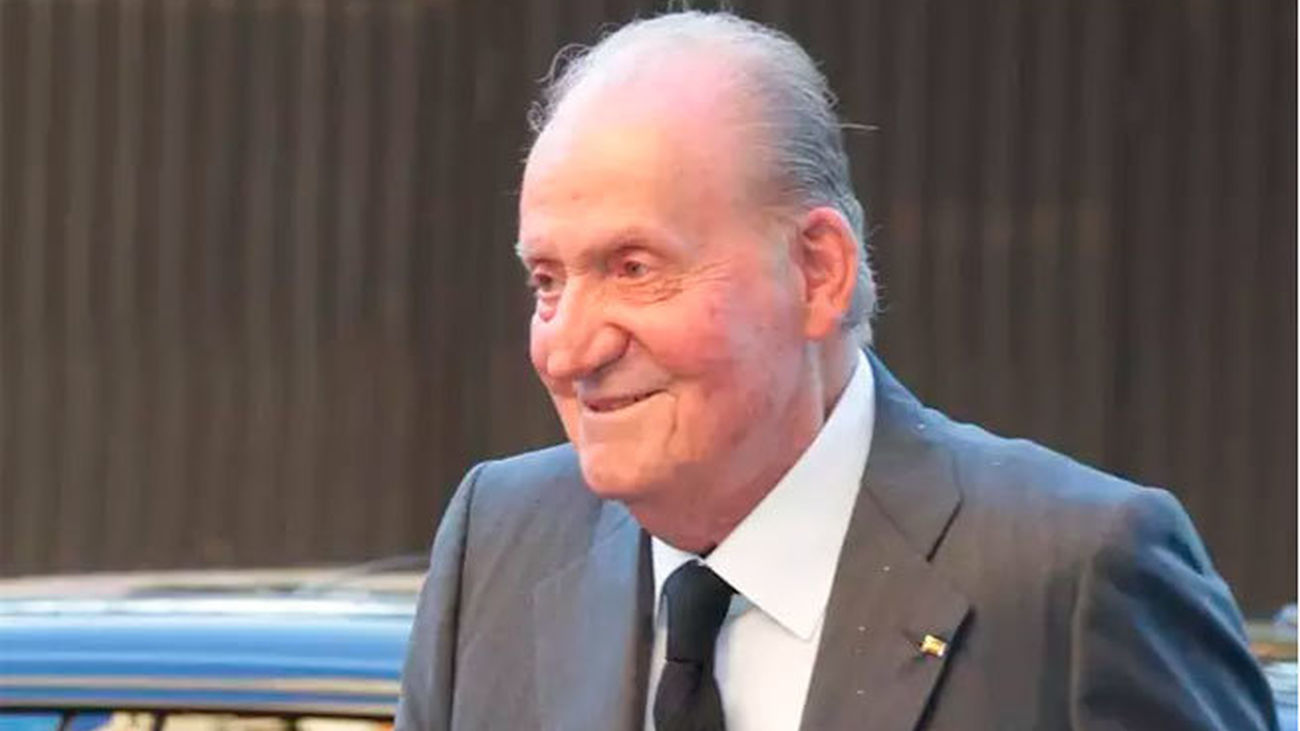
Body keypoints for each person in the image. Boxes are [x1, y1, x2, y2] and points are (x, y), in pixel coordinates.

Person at [397, 11, 1276, 731]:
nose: (570, 348)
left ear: (818, 271)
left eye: (634, 268)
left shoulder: (1075, 580)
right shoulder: (500, 542)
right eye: (547, 281)